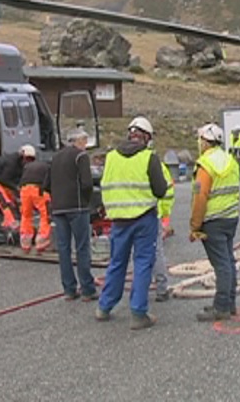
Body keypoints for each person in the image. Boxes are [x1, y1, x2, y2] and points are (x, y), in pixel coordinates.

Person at [96, 116, 168, 330]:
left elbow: (104, 185)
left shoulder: (111, 157)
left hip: (118, 220)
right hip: (144, 218)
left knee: (117, 262)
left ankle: (104, 306)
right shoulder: (148, 158)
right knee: (143, 263)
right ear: (146, 137)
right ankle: (138, 313)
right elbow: (160, 190)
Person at [189, 123, 240, 322]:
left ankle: (221, 307)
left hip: (213, 220)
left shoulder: (206, 164)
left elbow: (200, 197)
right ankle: (230, 302)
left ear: (205, 141)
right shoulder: (231, 161)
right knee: (228, 260)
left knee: (221, 265)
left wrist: (195, 225)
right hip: (230, 218)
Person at [44, 130, 98, 302]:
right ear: (79, 141)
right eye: (84, 141)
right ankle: (87, 289)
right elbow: (87, 183)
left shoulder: (55, 158)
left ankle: (69, 289)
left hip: (58, 209)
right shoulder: (80, 156)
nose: (85, 145)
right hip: (77, 207)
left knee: (64, 249)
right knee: (82, 247)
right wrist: (88, 201)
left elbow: (46, 184)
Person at [0, 145, 33, 230]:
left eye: (31, 160)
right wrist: (16, 188)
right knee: (5, 203)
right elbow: (5, 179)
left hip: (3, 182)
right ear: (22, 157)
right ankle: (12, 224)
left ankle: (7, 224)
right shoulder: (11, 163)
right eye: (27, 159)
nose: (29, 162)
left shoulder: (20, 164)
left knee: (13, 203)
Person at [17, 146, 51, 254]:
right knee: (45, 215)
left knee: (26, 215)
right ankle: (41, 240)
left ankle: (25, 242)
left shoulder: (28, 166)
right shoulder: (48, 167)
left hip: (24, 190)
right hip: (38, 189)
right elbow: (49, 182)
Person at [154, 147, 176, 303]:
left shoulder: (117, 159)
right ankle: (161, 289)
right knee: (156, 251)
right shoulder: (156, 165)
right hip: (153, 214)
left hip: (124, 219)